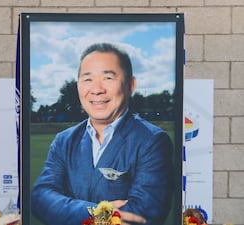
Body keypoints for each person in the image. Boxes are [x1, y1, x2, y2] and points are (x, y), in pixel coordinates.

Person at [31, 43, 174, 225]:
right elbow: (40, 197)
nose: (97, 89)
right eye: (87, 79)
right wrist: (97, 214)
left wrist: (65, 211)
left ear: (131, 84)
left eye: (108, 77)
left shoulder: (152, 141)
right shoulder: (64, 140)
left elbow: (142, 214)